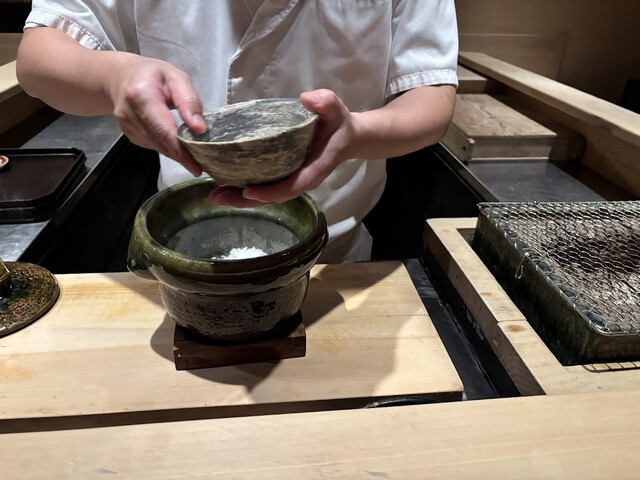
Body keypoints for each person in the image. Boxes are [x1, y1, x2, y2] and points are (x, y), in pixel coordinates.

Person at [16, 1, 458, 263]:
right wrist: (115, 75)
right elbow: (38, 59)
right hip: (184, 244)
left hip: (336, 260)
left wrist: (356, 132)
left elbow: (430, 94)